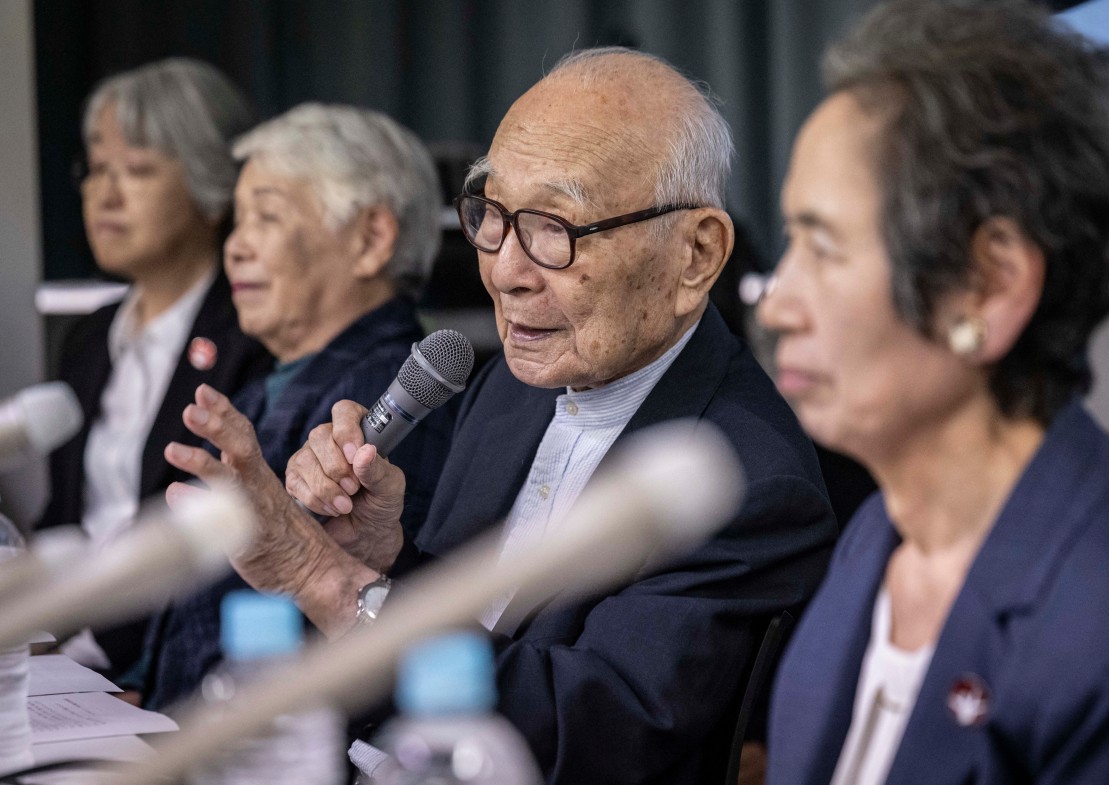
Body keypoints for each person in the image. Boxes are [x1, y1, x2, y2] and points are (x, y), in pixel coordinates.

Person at [165, 48, 838, 784]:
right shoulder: (510, 391)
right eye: (491, 215)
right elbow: (476, 642)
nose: (506, 270)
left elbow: (584, 735)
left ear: (695, 255)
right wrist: (382, 557)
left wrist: (329, 582)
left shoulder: (745, 476)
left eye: (555, 226)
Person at [759, 0, 1109, 785]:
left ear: (988, 287)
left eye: (823, 249)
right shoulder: (872, 540)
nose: (777, 302)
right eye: (790, 242)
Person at [139, 103, 453, 711]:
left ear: (370, 240)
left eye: (267, 217)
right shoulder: (269, 381)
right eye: (236, 221)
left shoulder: (390, 401)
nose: (234, 248)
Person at [40, 58, 271, 679]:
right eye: (96, 171)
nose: (105, 195)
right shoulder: (88, 337)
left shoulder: (252, 334)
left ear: (211, 188)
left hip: (150, 665)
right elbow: (67, 520)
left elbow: (212, 551)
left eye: (137, 170)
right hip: (56, 646)